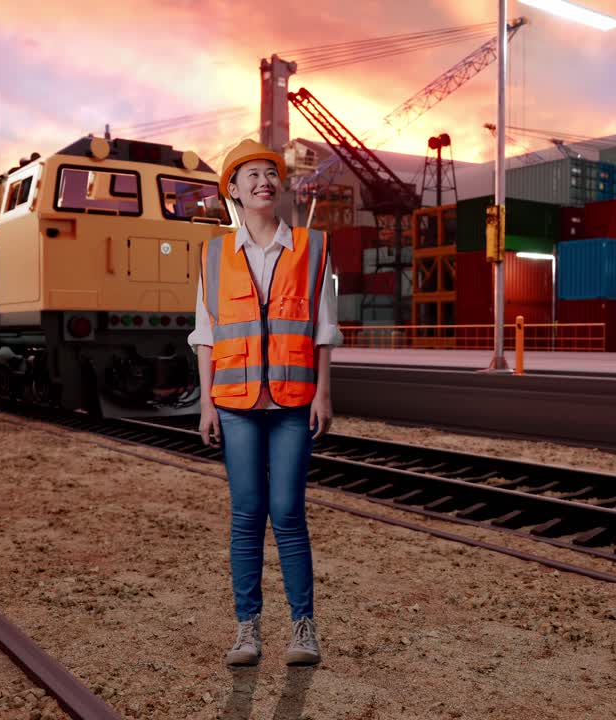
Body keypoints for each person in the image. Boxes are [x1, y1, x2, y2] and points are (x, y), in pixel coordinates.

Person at [187, 138, 342, 667]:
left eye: (270, 174)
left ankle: (303, 629)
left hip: (294, 401)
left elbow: (323, 327)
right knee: (247, 514)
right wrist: (207, 403)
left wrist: (324, 391)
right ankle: (247, 630)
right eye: (251, 174)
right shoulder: (212, 255)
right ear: (232, 189)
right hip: (234, 402)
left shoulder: (310, 247)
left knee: (288, 513)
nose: (263, 182)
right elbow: (204, 333)